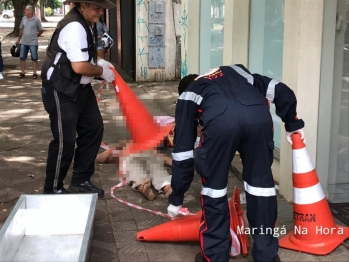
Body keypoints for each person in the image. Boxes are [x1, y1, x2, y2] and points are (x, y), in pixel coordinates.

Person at [167, 65, 305, 262]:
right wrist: (293, 125)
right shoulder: (238, 72)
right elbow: (282, 90)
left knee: (213, 189)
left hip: (221, 123)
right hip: (258, 118)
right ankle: (266, 256)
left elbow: (183, 152)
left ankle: (215, 256)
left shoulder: (187, 96)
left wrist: (176, 197)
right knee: (261, 187)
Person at [40, 0, 116, 196]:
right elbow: (80, 67)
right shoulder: (74, 26)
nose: (100, 11)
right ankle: (53, 188)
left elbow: (85, 57)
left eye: (101, 8)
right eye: (96, 7)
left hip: (79, 88)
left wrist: (99, 63)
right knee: (65, 140)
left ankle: (81, 179)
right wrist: (101, 71)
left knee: (93, 129)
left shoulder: (87, 24)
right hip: (61, 89)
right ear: (82, 6)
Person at [15, 5, 43, 79]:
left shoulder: (36, 20)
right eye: (25, 10)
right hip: (24, 42)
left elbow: (41, 30)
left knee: (34, 58)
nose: (25, 11)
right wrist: (18, 39)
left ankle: (34, 73)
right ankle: (22, 72)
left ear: (31, 11)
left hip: (33, 43)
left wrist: (37, 35)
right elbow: (21, 29)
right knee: (22, 57)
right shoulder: (24, 19)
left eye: (26, 10)